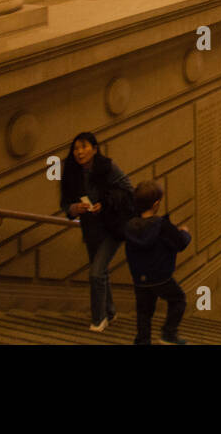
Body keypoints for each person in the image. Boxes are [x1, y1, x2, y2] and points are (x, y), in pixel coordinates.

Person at [59, 132, 135, 332]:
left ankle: (98, 318)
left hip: (112, 227)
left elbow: (128, 189)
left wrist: (106, 203)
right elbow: (65, 204)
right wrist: (75, 208)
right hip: (91, 229)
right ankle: (110, 312)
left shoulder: (107, 167)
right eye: (76, 148)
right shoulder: (71, 173)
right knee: (101, 271)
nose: (79, 152)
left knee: (96, 273)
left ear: (94, 148)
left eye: (84, 147)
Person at [122, 180, 191, 345]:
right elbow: (180, 243)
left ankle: (142, 341)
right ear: (156, 204)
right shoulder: (161, 226)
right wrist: (185, 232)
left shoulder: (130, 226)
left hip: (140, 278)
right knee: (178, 300)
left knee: (144, 311)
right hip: (161, 276)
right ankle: (168, 334)